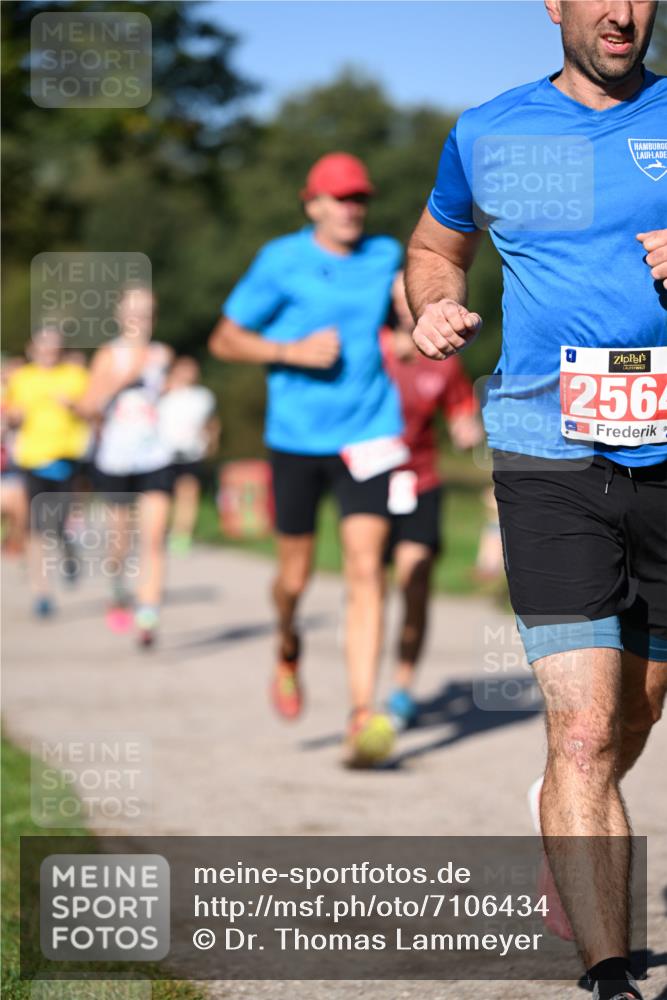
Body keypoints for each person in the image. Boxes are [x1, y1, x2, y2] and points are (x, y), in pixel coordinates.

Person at [405, 2, 666, 997]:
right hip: (544, 451)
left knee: (633, 714)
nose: (622, 12)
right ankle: (607, 973)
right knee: (585, 732)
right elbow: (436, 248)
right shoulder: (488, 131)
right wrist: (431, 302)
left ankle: (563, 798)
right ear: (551, 4)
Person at [209, 152, 406, 767]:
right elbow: (224, 338)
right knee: (293, 578)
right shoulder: (281, 260)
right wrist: (288, 351)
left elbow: (404, 324)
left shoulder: (385, 256)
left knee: (366, 569)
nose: (352, 209)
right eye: (339, 198)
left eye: (359, 198)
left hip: (370, 433)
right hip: (295, 438)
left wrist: (424, 334)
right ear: (312, 203)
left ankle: (361, 714)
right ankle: (287, 642)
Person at [380, 272, 483, 729]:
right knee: (369, 586)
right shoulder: (370, 348)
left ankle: (401, 688)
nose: (407, 303)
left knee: (414, 580)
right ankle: (364, 684)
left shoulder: (443, 360)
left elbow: (463, 416)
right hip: (367, 484)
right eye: (399, 295)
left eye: (412, 293)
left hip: (420, 484)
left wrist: (468, 430)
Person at [79, 284, 175, 647]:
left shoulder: (163, 354)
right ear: (121, 316)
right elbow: (88, 406)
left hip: (155, 456)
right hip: (116, 459)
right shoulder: (109, 355)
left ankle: (148, 612)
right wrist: (124, 377)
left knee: (153, 537)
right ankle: (118, 586)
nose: (140, 321)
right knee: (120, 539)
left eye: (147, 314)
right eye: (134, 314)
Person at [4, 328, 90, 615]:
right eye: (44, 346)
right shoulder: (22, 378)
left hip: (66, 457)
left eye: (55, 347)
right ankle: (41, 593)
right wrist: (15, 416)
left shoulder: (75, 376)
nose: (49, 352)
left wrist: (75, 406)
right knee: (35, 527)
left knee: (58, 523)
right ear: (33, 348)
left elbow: (93, 410)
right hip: (32, 458)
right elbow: (10, 414)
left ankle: (69, 553)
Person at [158, 356, 219, 555]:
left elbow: (211, 422)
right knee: (161, 496)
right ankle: (159, 530)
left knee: (188, 494)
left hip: (191, 451)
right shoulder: (161, 392)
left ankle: (181, 536)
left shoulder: (203, 396)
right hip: (162, 451)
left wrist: (212, 443)